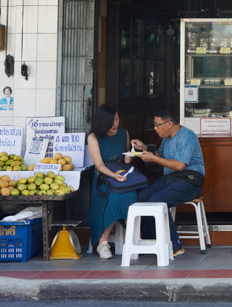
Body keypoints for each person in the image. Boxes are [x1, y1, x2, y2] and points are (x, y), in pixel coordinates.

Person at [130, 108, 205, 257]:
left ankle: (174, 244)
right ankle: (153, 241)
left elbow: (179, 165)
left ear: (169, 123)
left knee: (156, 200)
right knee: (142, 196)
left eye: (157, 125)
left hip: (190, 181)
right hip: (171, 179)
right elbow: (160, 156)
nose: (155, 129)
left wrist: (153, 158)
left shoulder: (187, 136)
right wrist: (144, 148)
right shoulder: (166, 139)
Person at [87, 102, 136, 259]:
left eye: (117, 119)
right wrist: (113, 175)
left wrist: (129, 158)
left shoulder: (124, 133)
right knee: (115, 197)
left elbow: (126, 159)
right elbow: (99, 165)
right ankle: (103, 242)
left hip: (122, 176)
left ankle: (133, 241)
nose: (115, 124)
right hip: (103, 178)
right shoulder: (93, 137)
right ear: (103, 122)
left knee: (130, 195)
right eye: (111, 121)